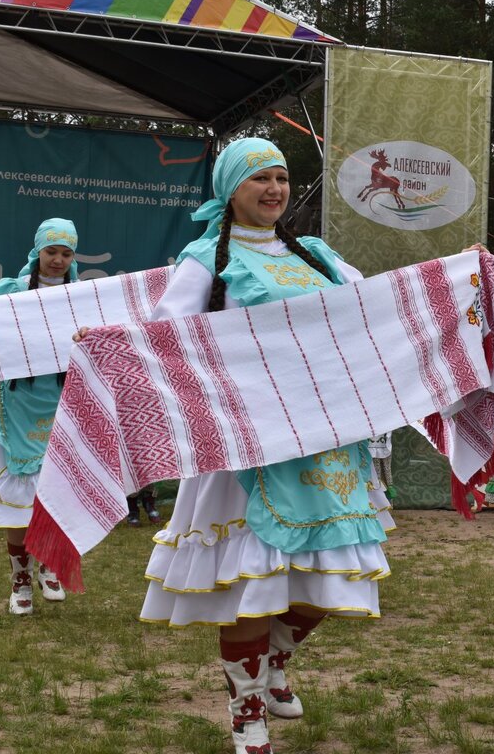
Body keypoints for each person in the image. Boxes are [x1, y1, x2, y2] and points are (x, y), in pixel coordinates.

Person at [125, 138, 392, 754]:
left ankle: (275, 662)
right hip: (248, 445)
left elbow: (376, 305)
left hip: (326, 442)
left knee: (328, 579)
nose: (275, 189)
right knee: (254, 584)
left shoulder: (318, 254)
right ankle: (246, 712)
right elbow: (163, 335)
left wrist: (456, 275)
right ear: (230, 189)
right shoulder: (204, 261)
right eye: (259, 179)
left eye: (281, 177)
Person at [0, 219, 77, 615]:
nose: (57, 260)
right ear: (37, 252)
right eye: (51, 251)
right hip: (13, 407)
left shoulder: (84, 297)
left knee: (54, 495)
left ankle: (49, 566)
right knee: (18, 499)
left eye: (66, 253)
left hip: (61, 407)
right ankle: (20, 581)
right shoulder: (10, 291)